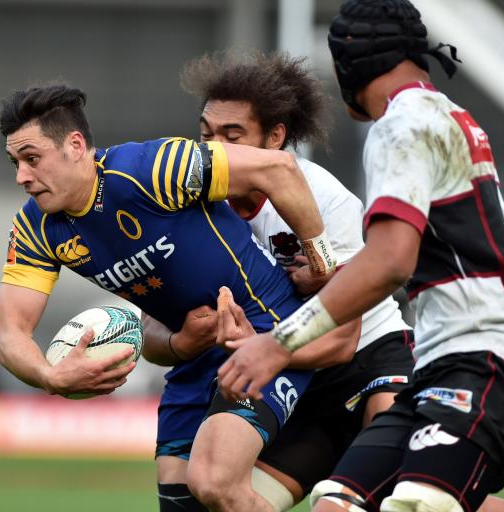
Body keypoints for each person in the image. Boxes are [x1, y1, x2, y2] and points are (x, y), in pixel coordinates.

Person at [217, 1, 504, 512]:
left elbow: (390, 260)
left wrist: (277, 346)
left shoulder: (402, 124)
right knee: (337, 503)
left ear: (347, 65)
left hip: (489, 357)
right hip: (443, 363)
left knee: (417, 505)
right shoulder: (442, 112)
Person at [0, 83, 337, 509]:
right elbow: (10, 335)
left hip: (264, 330)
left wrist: (322, 258)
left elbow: (280, 169)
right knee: (179, 499)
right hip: (193, 361)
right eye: (15, 163)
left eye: (32, 159)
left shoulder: (152, 167)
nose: (21, 176)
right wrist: (51, 377)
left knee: (213, 481)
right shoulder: (35, 230)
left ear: (76, 145)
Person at [142, 51, 413, 511]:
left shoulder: (323, 198)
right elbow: (152, 337)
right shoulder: (187, 208)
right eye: (206, 135)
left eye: (233, 136)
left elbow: (343, 342)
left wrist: (264, 344)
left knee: (404, 500)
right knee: (225, 498)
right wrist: (182, 341)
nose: (214, 150)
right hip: (295, 383)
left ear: (275, 138)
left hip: (370, 359)